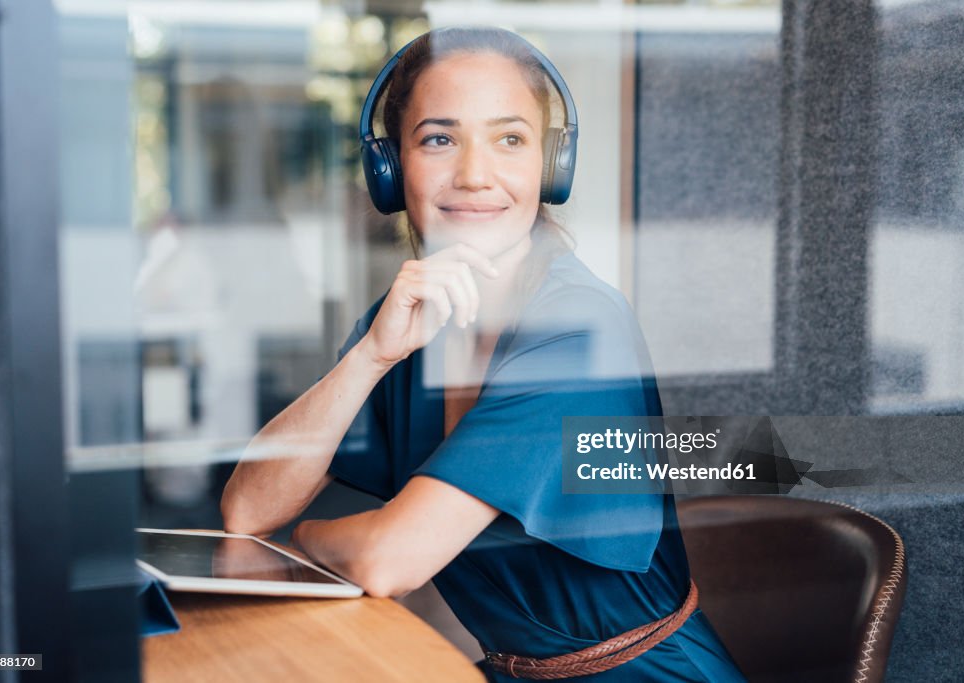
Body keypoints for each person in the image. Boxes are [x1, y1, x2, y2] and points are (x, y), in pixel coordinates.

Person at [221, 27, 746, 682]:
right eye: (439, 139)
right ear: (389, 170)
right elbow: (247, 508)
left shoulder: (578, 330)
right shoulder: (411, 319)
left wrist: (304, 541)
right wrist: (368, 359)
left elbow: (390, 559)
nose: (474, 174)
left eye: (510, 139)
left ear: (551, 166)